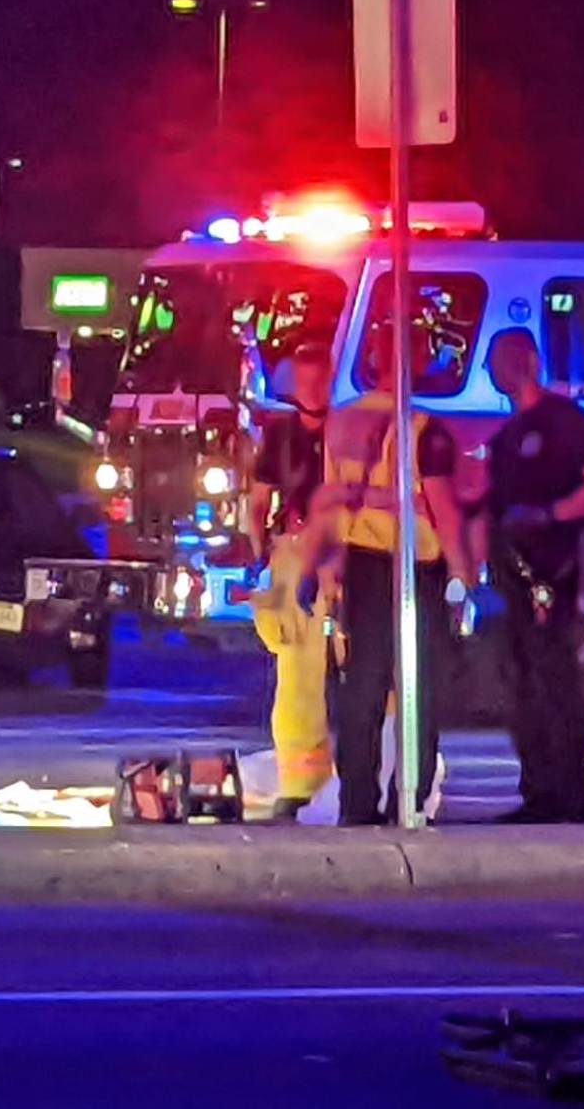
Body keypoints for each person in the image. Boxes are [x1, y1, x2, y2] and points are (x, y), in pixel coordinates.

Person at [306, 320, 477, 826]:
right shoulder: (425, 428)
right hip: (415, 568)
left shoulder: (341, 422)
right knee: (417, 689)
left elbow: (332, 503)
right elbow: (444, 512)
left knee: (361, 687)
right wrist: (464, 578)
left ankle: (356, 802)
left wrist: (329, 572)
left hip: (360, 563)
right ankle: (411, 801)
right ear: (416, 362)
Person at [478, 327, 584, 823]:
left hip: (552, 569)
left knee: (555, 679)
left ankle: (574, 791)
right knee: (522, 681)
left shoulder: (564, 422)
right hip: (511, 573)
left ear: (529, 362)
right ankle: (538, 791)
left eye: (502, 360)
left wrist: (551, 515)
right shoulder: (507, 436)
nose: (494, 371)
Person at [248, 343, 335, 821]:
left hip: (343, 555)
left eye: (318, 377)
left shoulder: (349, 427)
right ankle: (300, 784)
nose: (311, 388)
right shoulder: (280, 434)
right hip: (291, 555)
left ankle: (368, 777)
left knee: (360, 673)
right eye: (303, 379)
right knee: (296, 675)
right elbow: (259, 500)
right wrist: (257, 552)